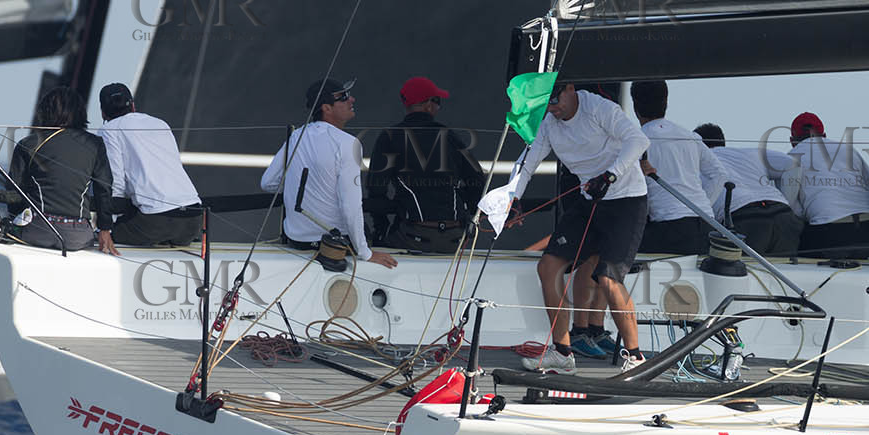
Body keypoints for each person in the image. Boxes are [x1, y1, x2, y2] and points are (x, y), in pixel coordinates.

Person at [502, 81, 650, 372]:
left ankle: (635, 359)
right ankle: (562, 353)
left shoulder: (598, 108)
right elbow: (528, 163)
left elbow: (638, 141)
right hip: (588, 201)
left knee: (608, 279)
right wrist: (514, 198)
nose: (554, 110)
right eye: (548, 105)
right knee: (547, 267)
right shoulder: (549, 122)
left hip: (626, 201)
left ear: (570, 89)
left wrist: (609, 176)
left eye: (556, 101)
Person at [259, 78, 397, 270]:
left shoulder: (296, 136)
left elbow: (268, 183)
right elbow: (351, 206)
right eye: (344, 98)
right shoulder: (348, 144)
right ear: (327, 108)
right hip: (332, 245)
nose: (352, 100)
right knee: (366, 230)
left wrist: (302, 185)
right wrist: (366, 253)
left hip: (296, 241)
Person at [366, 75, 486, 252]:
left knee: (375, 249)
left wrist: (380, 228)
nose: (438, 106)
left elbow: (376, 188)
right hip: (454, 239)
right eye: (438, 101)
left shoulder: (390, 137)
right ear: (429, 105)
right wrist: (467, 211)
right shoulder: (449, 136)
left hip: (411, 236)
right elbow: (477, 180)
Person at [4, 86, 117, 254]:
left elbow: (14, 192)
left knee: (6, 226)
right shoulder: (95, 144)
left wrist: (15, 219)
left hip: (37, 231)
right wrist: (105, 229)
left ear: (45, 112)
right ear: (80, 113)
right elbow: (104, 189)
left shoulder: (28, 144)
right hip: (79, 237)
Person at [96, 83, 203, 247]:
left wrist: (107, 226)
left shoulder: (109, 131)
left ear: (103, 113)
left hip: (156, 223)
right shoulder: (160, 123)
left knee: (97, 235)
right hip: (193, 220)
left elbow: (115, 181)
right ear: (132, 105)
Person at [631, 80, 722, 255]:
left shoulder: (636, 141)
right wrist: (697, 207)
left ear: (635, 108)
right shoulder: (691, 136)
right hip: (707, 224)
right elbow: (719, 174)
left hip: (669, 227)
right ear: (666, 102)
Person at [783, 111, 869, 259]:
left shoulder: (793, 157)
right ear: (824, 135)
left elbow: (789, 204)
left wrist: (812, 213)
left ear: (792, 140)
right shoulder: (847, 149)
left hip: (829, 236)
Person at [694, 123, 803, 256]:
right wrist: (789, 203)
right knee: (786, 271)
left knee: (748, 273)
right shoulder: (749, 153)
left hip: (743, 219)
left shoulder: (697, 162)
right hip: (783, 215)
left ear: (698, 145)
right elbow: (793, 164)